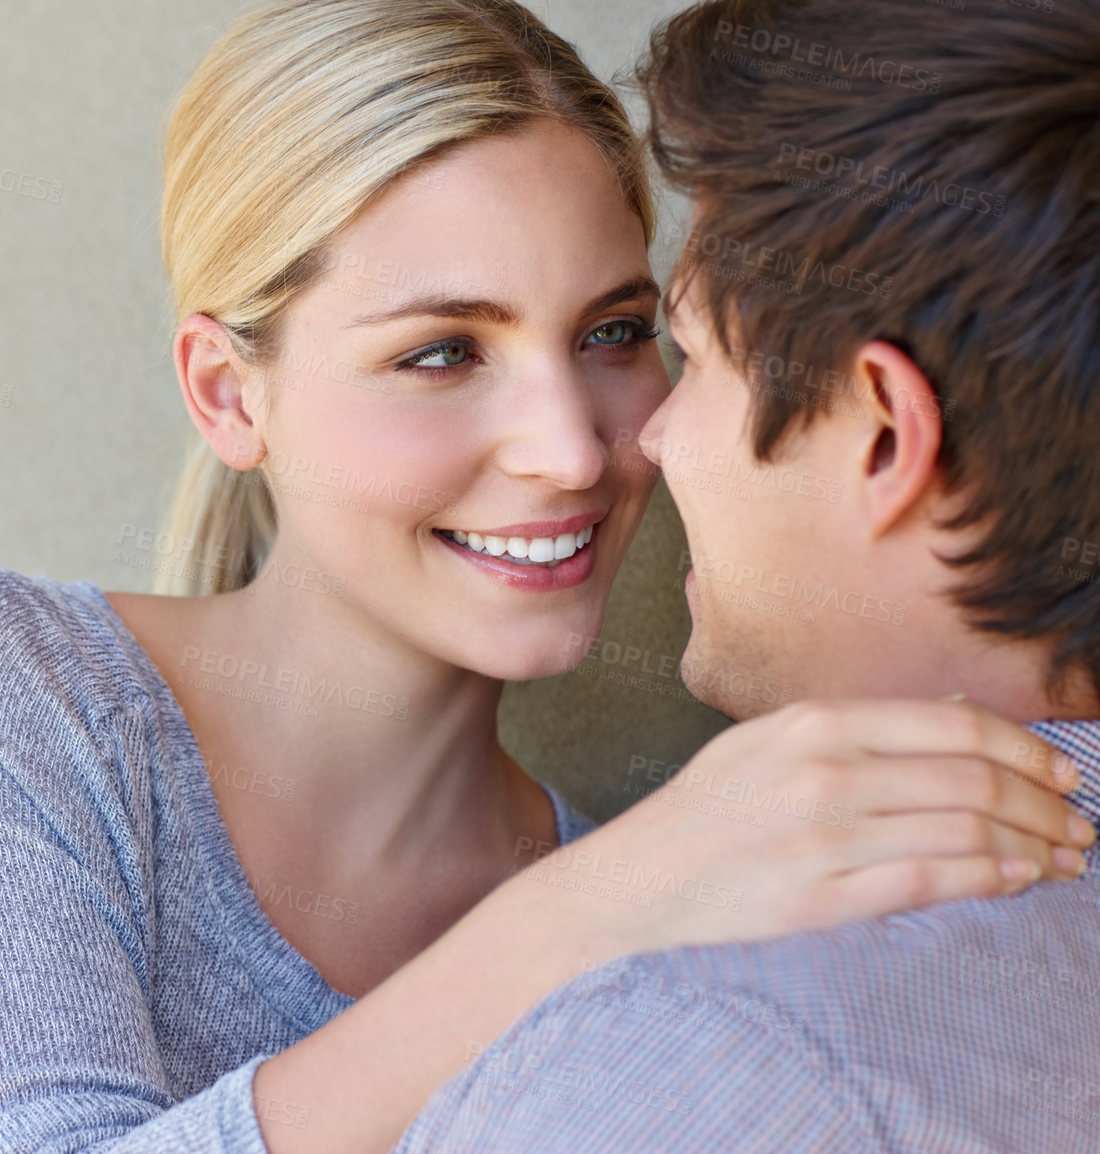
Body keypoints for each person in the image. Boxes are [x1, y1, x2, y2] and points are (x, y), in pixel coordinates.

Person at [0, 2, 1092, 1152]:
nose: (578, 445)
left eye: (619, 334)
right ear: (229, 394)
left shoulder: (684, 900)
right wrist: (586, 914)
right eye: (443, 353)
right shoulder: (5, 689)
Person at [391, 0, 1100, 1150]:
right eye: (442, 352)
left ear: (882, 434)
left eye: (690, 354)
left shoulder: (693, 1053)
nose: (646, 440)